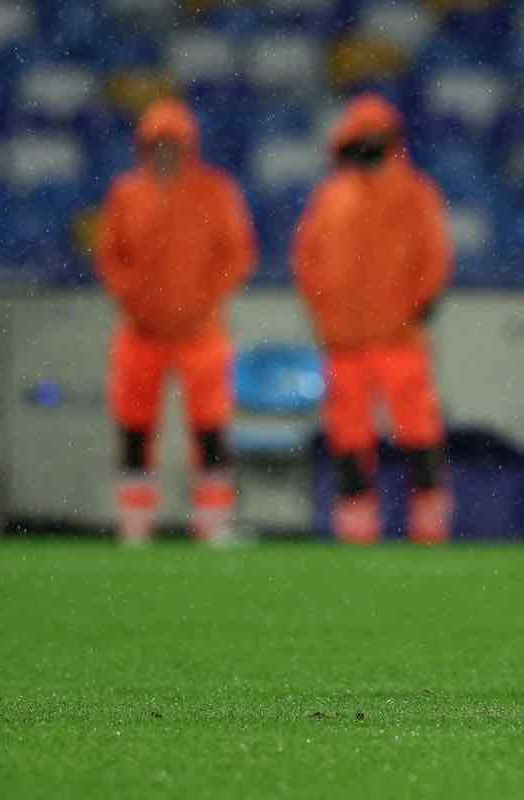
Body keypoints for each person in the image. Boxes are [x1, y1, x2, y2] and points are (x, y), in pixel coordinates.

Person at [293, 93, 454, 545]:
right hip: (345, 341)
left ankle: (429, 523)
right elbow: (307, 260)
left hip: (398, 338)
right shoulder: (331, 196)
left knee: (418, 431)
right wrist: (325, 312)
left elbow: (433, 254)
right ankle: (355, 528)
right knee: (348, 437)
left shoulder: (416, 193)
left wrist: (419, 303)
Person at [96, 97, 257, 545]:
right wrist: (134, 299)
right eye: (157, 144)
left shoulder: (216, 191)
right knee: (134, 427)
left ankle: (212, 522)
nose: (165, 152)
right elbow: (111, 257)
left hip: (201, 333)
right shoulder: (126, 193)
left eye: (173, 144)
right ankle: (134, 524)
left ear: (188, 146)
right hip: (140, 333)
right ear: (144, 146)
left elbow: (238, 254)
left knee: (210, 428)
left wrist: (203, 301)